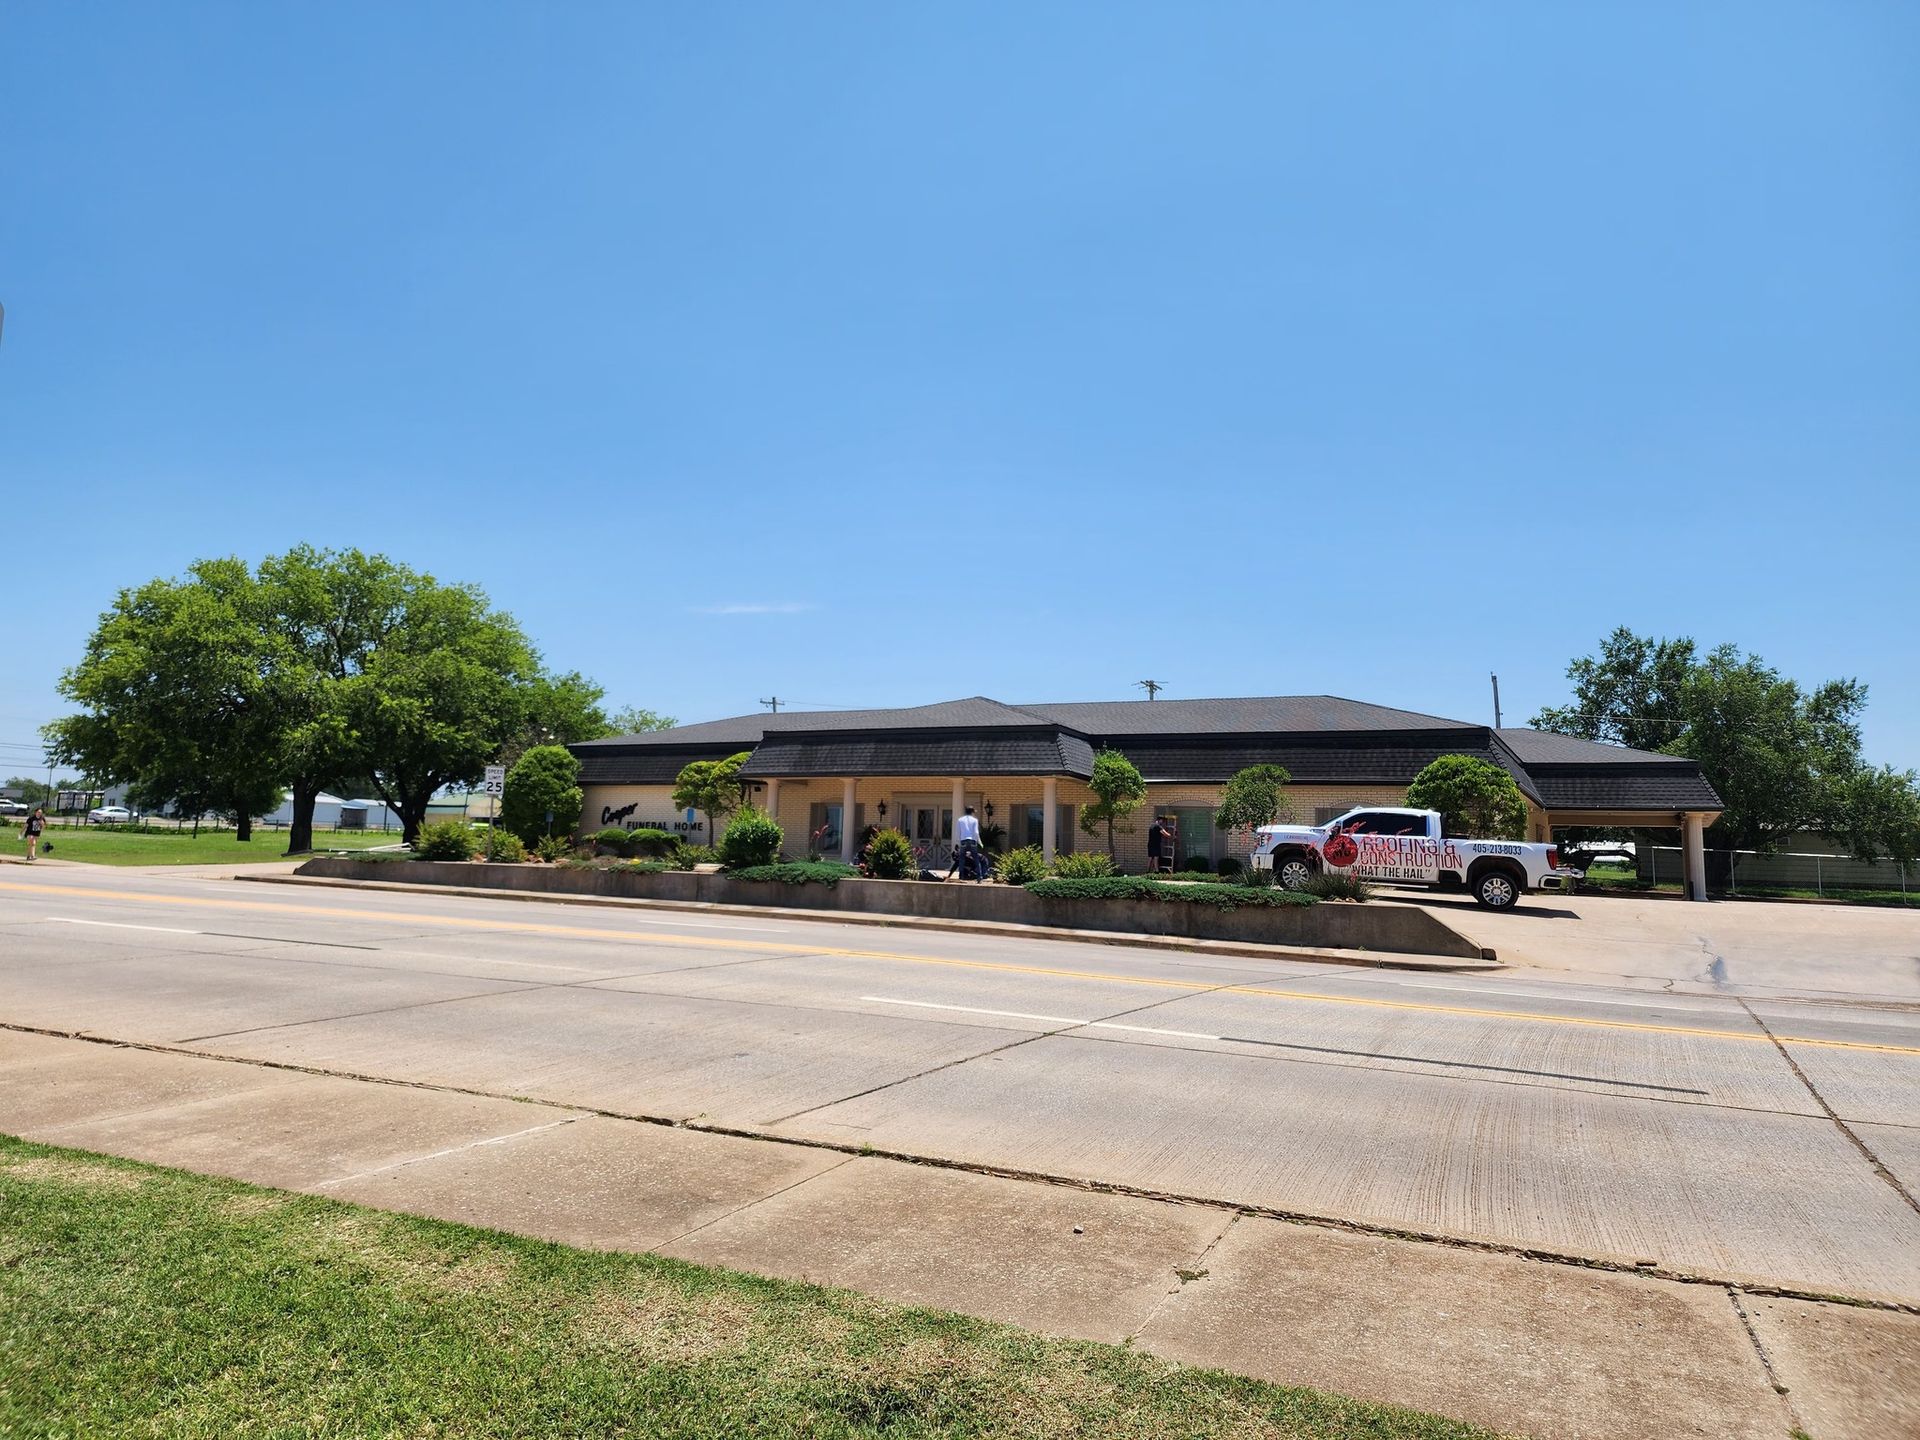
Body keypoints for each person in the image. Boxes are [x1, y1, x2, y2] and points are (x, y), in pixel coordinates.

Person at [953, 804, 985, 881]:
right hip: (972, 841)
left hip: (963, 840)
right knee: (976, 859)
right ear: (972, 812)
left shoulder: (960, 820)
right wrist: (980, 842)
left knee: (962, 858)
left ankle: (961, 876)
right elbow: (976, 832)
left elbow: (958, 831)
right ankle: (979, 877)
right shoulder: (975, 820)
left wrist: (957, 840)